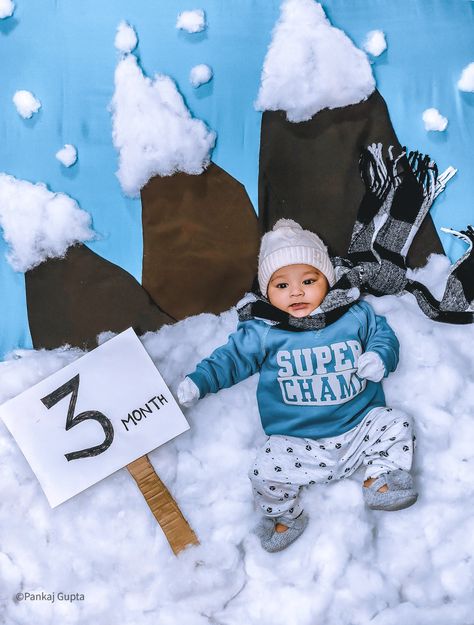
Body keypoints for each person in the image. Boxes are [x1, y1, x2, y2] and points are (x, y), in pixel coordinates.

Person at [177, 219, 417, 552]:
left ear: (327, 280)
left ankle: (379, 479)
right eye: (282, 286)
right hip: (298, 442)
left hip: (359, 426)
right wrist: (198, 382)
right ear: (266, 292)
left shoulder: (353, 314)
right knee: (263, 473)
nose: (297, 292)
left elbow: (382, 335)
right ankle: (286, 516)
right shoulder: (264, 330)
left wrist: (379, 356)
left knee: (398, 423)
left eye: (308, 280)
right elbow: (230, 359)